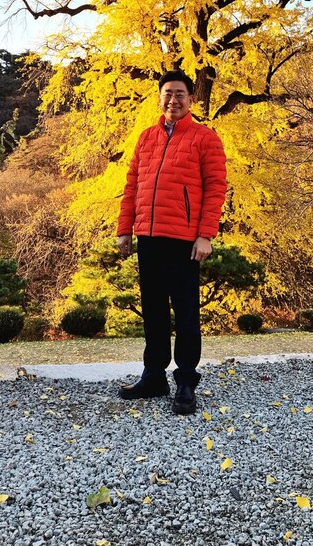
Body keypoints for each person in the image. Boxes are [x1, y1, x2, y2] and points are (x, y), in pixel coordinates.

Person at [117, 69, 227, 415]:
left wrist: (205, 235)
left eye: (180, 93)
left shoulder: (205, 138)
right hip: (149, 236)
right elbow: (132, 186)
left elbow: (216, 189)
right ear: (159, 97)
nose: (173, 100)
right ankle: (154, 376)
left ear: (191, 99)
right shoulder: (146, 138)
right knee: (153, 311)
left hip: (184, 239)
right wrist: (125, 229)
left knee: (186, 312)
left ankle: (186, 382)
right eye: (168, 93)